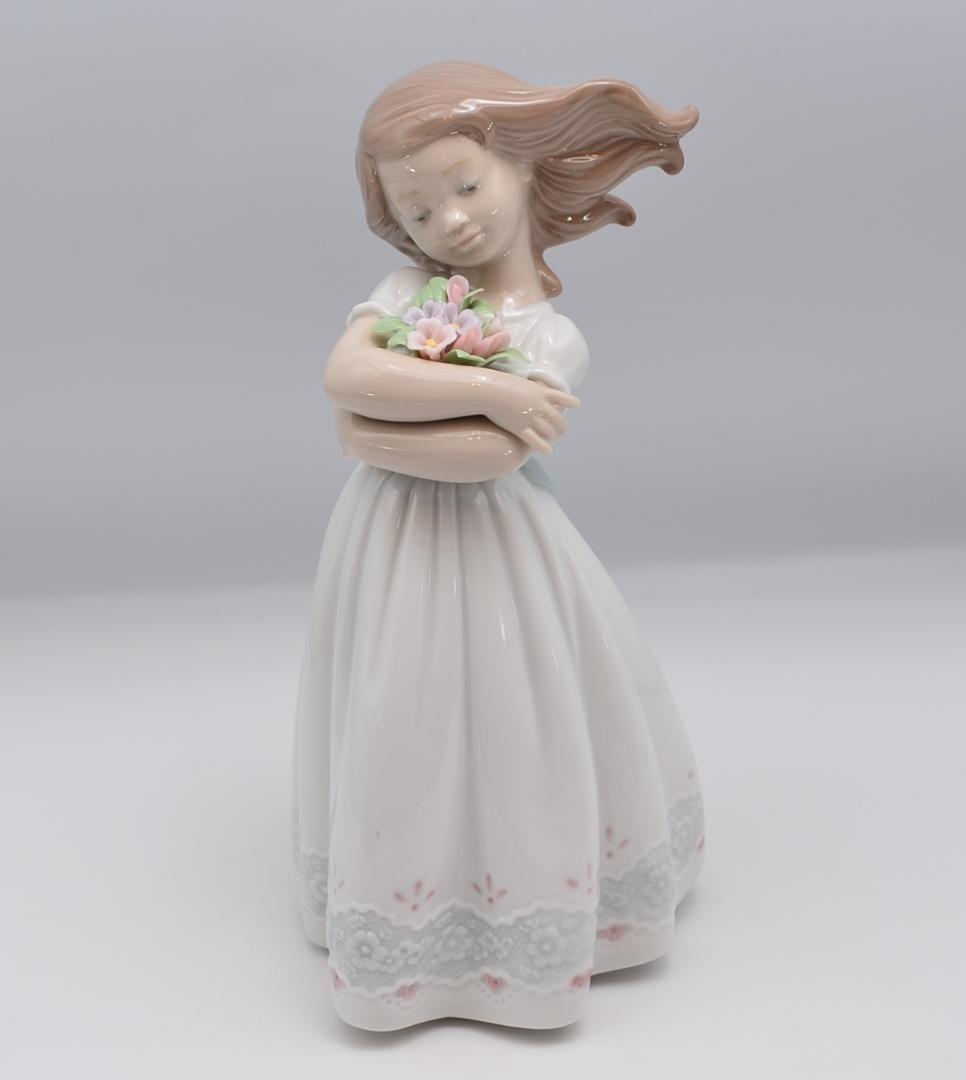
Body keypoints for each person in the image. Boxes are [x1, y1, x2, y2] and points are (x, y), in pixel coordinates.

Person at [292, 60, 704, 1031]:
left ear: (521, 166)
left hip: (497, 546)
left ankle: (513, 919)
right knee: (399, 711)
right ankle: (407, 916)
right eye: (418, 210)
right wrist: (487, 389)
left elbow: (482, 460)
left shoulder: (552, 339)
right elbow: (344, 377)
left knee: (512, 717)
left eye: (465, 186)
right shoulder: (408, 290)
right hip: (387, 548)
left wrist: (376, 426)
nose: (450, 222)